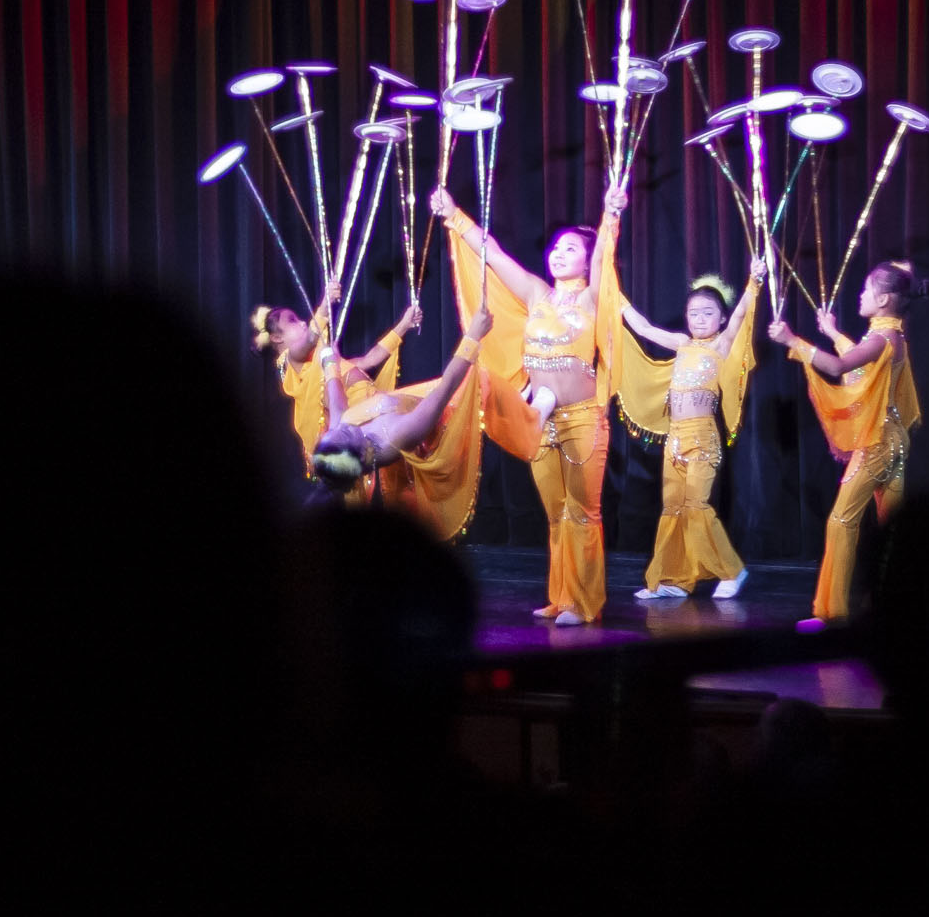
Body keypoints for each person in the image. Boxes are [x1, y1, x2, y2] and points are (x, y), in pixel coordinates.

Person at [430, 183, 629, 625]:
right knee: (556, 515)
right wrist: (455, 216)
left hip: (583, 419)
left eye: (571, 248)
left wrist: (610, 217)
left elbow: (604, 258)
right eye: (556, 247)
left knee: (583, 513)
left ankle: (583, 603)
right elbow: (495, 255)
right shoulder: (538, 293)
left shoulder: (593, 298)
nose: (559, 253)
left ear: (586, 261)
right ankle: (561, 597)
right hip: (541, 420)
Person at [768, 261, 925, 624]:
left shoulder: (882, 339)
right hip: (893, 441)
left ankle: (832, 614)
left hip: (878, 444)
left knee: (841, 522)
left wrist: (794, 342)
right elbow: (858, 363)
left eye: (867, 289)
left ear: (883, 299)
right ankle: (897, 609)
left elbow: (840, 368)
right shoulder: (889, 337)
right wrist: (832, 332)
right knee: (891, 530)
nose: (861, 295)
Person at [615, 261, 765, 600]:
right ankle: (673, 579)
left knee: (696, 506)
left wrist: (754, 282)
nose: (699, 319)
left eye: (708, 313)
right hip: (675, 438)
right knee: (673, 509)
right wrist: (616, 297)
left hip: (702, 437)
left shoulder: (721, 345)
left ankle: (732, 570)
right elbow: (644, 328)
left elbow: (742, 314)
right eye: (693, 313)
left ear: (721, 319)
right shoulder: (682, 343)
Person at [306, 304, 495, 540]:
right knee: (487, 381)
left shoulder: (341, 434)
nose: (340, 426)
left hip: (415, 398)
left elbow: (335, 397)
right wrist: (473, 336)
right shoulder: (396, 436)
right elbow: (445, 389)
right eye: (344, 432)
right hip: (444, 405)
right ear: (361, 452)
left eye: (333, 431)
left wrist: (328, 359)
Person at [254, 278, 421, 496]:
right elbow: (309, 340)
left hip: (378, 411)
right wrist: (325, 306)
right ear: (277, 337)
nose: (302, 322)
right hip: (367, 422)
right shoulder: (291, 361)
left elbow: (370, 359)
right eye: (293, 321)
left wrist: (403, 325)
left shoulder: (327, 360)